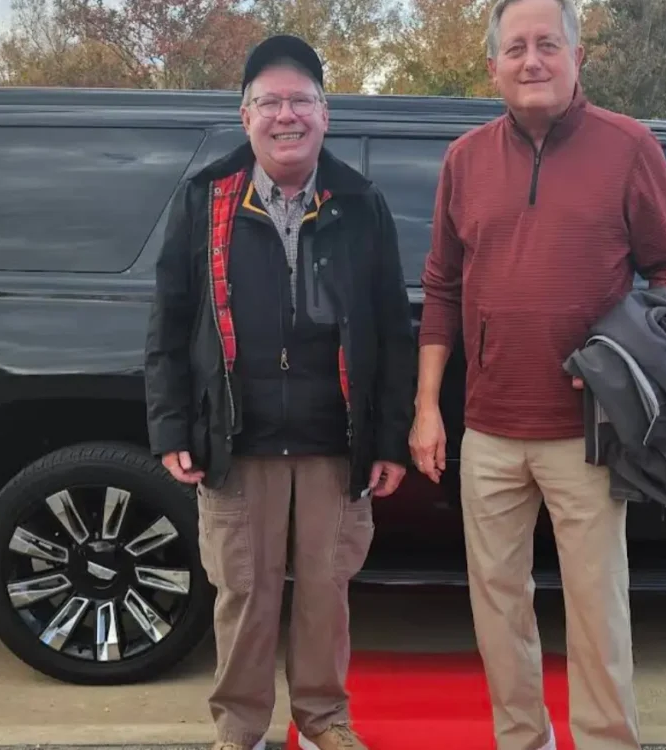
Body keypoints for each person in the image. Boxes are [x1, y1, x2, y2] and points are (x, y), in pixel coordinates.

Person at [408, 0, 666, 748]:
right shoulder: (464, 160)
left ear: (578, 58)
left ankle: (607, 741)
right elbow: (441, 285)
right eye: (515, 48)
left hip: (590, 434)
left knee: (596, 608)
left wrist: (629, 350)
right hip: (488, 429)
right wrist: (427, 407)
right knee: (497, 606)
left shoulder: (629, 148)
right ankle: (523, 740)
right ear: (493, 67)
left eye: (547, 44)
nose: (531, 60)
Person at [144, 34, 415, 750]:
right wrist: (172, 426)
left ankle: (324, 720)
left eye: (301, 100)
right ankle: (240, 728)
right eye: (270, 101)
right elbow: (169, 321)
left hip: (337, 439)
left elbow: (392, 327)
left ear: (326, 114)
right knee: (244, 594)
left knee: (326, 596)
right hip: (237, 438)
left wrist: (389, 437)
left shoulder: (361, 202)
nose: (285, 115)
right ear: (246, 116)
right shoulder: (206, 200)